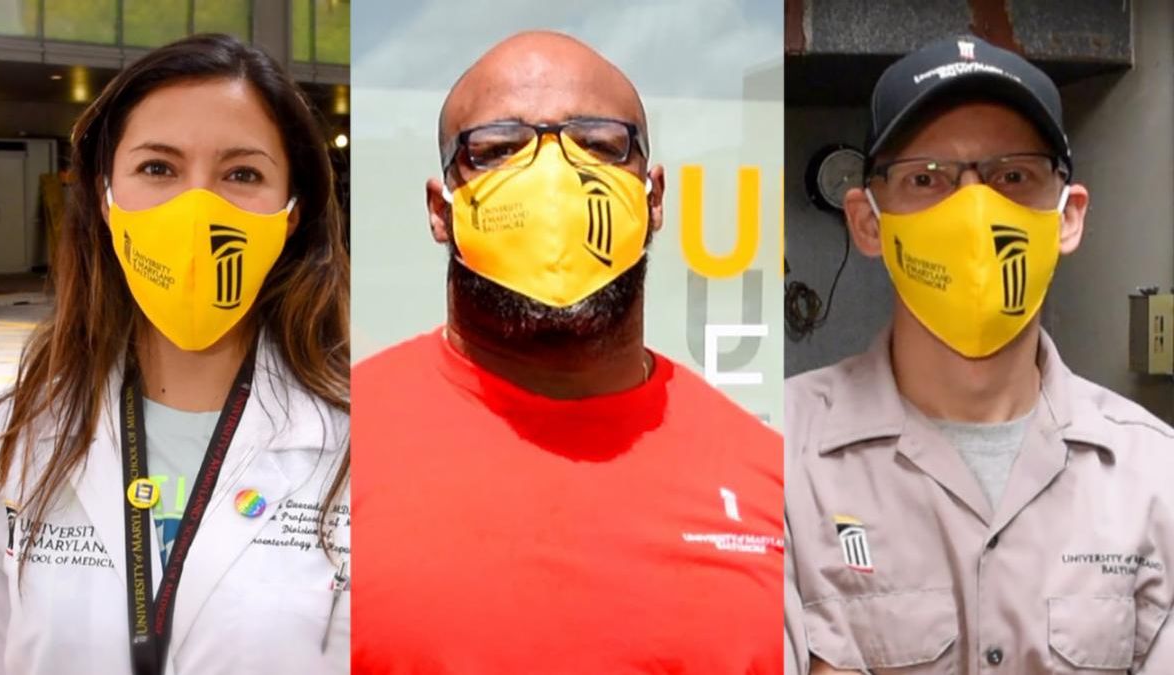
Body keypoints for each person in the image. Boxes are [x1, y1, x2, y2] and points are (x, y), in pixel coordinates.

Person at [352, 31, 784, 674]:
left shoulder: (769, 480)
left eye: (598, 145)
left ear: (653, 199)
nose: (552, 181)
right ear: (441, 210)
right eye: (497, 149)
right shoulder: (334, 449)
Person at [785, 35, 1174, 673]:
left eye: (1012, 176)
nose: (974, 210)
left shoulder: (1156, 479)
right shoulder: (779, 462)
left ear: (1067, 216)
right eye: (926, 178)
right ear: (868, 223)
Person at [0, 34, 351, 675]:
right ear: (104, 198)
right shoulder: (7, 442)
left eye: (242, 174)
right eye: (158, 168)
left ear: (290, 216)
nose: (197, 209)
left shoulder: (365, 449)